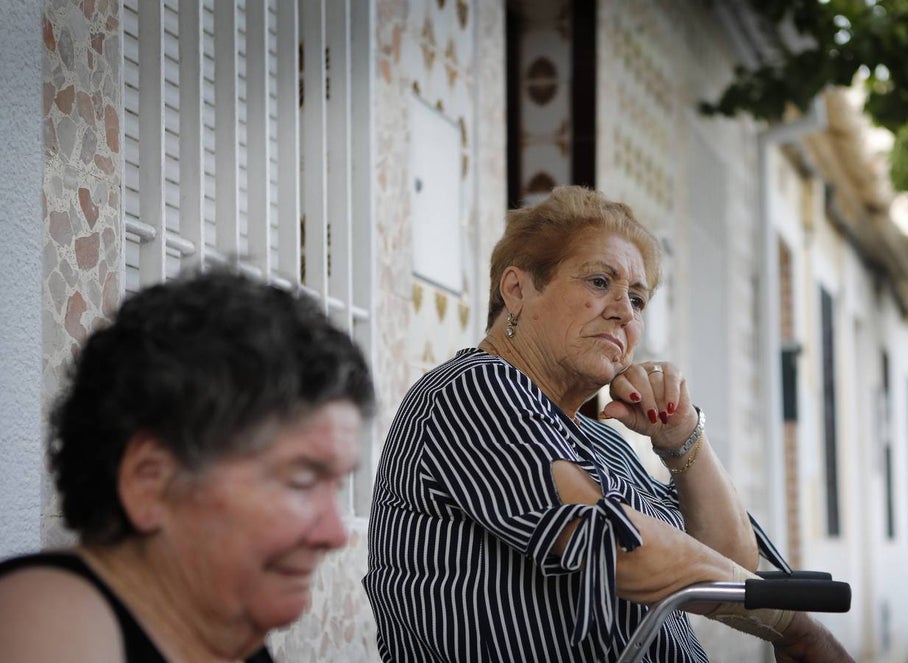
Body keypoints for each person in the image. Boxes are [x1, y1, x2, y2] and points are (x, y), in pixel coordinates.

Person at [363, 186, 853, 662]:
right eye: (600, 282)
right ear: (517, 289)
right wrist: (796, 626)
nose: (623, 312)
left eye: (637, 299)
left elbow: (731, 567)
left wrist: (681, 439)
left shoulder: (600, 438)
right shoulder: (473, 389)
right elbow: (621, 547)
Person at [0, 269, 376, 662]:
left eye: (337, 486)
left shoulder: (228, 638)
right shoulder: (49, 620)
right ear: (151, 482)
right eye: (300, 480)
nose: (334, 534)